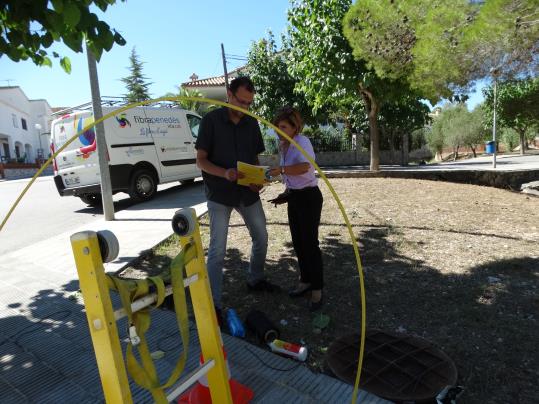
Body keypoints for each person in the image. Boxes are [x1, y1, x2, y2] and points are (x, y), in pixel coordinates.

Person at [195, 76, 278, 318]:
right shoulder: (210, 121)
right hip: (219, 194)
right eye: (241, 102)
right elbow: (200, 160)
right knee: (218, 250)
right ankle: (214, 304)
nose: (244, 108)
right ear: (229, 95)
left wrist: (257, 179)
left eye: (249, 104)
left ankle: (255, 279)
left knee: (261, 236)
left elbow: (254, 159)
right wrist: (225, 173)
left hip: (246, 193)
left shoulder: (251, 124)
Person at [268, 107, 324, 311]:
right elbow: (291, 176)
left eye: (283, 127)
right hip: (295, 197)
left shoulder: (302, 142)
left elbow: (305, 168)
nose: (278, 130)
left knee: (310, 243)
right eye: (277, 127)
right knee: (298, 243)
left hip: (309, 197)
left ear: (294, 127)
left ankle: (317, 289)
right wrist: (285, 194)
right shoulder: (284, 145)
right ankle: (305, 281)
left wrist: (281, 169)